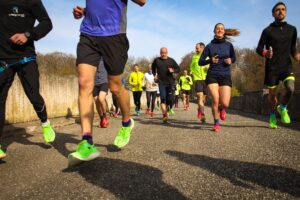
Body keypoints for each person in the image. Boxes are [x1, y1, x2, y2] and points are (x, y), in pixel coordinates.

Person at [69, 0, 146, 164]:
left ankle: (126, 122)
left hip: (114, 35)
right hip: (88, 33)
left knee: (115, 87)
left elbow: (142, 1)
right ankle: (87, 141)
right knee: (84, 83)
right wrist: (84, 11)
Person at [0, 0, 55, 159]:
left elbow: (47, 23)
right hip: (2, 58)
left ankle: (45, 122)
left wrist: (28, 35)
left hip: (26, 57)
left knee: (34, 96)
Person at [256, 2, 300, 129]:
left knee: (290, 88)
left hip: (286, 66)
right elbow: (259, 48)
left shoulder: (292, 29)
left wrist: (297, 55)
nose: (280, 11)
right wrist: (266, 53)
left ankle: (283, 107)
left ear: (285, 12)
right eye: (277, 10)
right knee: (272, 96)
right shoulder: (267, 30)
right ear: (273, 13)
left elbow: (293, 49)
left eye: (283, 9)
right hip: (272, 68)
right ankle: (272, 115)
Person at [199, 23, 239, 132]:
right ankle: (216, 123)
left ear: (224, 31)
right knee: (215, 100)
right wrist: (210, 60)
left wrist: (231, 60)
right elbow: (200, 62)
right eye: (217, 28)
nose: (219, 30)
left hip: (225, 75)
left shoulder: (229, 45)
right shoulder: (209, 46)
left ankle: (222, 108)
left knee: (225, 103)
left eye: (221, 29)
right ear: (214, 31)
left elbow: (234, 57)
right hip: (212, 74)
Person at [152, 47, 180, 123]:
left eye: (164, 53)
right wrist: (155, 74)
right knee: (163, 98)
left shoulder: (171, 60)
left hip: (170, 82)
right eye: (162, 53)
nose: (163, 54)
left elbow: (178, 69)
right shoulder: (156, 60)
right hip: (161, 82)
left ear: (167, 52)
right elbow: (153, 67)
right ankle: (164, 115)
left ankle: (167, 109)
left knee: (170, 100)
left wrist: (173, 70)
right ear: (160, 52)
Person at [190, 42, 209, 122]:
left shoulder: (207, 57)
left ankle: (199, 109)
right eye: (196, 48)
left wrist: (207, 68)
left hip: (206, 79)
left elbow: (210, 67)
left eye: (197, 48)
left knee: (204, 99)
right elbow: (191, 66)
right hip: (197, 79)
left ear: (202, 48)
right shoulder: (194, 57)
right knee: (199, 96)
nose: (196, 49)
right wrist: (192, 72)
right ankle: (203, 115)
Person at [93, 59, 109, 128]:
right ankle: (101, 119)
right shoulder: (91, 58)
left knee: (101, 99)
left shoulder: (105, 58)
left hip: (104, 82)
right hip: (94, 84)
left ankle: (105, 116)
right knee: (96, 101)